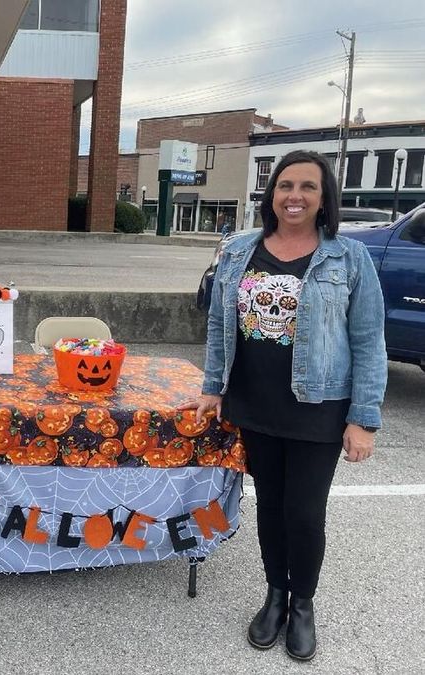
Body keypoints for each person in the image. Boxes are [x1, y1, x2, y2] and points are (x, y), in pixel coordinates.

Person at [179, 149, 387, 661]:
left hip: (319, 405)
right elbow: (219, 327)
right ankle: (274, 594)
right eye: (285, 186)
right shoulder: (240, 251)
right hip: (254, 403)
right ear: (272, 194)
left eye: (307, 187)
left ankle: (303, 605)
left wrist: (363, 418)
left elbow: (368, 339)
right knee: (270, 507)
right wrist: (212, 387)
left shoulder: (348, 257)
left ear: (324, 198)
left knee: (304, 511)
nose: (294, 196)